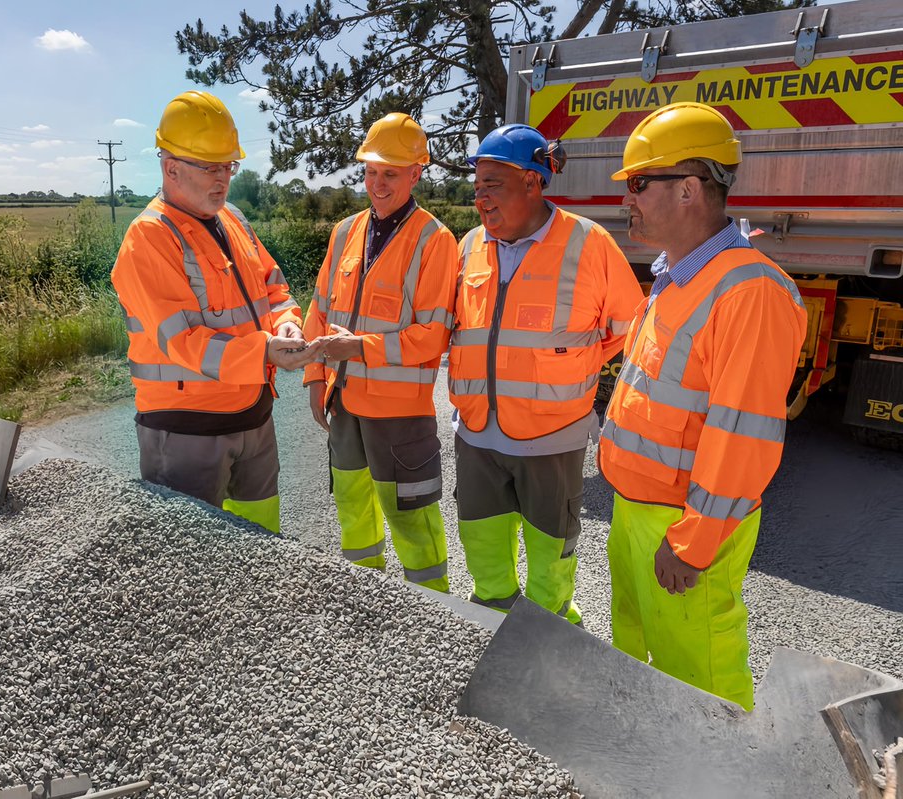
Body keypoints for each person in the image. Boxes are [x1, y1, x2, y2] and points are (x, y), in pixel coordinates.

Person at [599, 102, 807, 710]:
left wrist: (694, 541)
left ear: (689, 188)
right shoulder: (678, 277)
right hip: (638, 513)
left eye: (640, 183)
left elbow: (742, 435)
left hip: (683, 526)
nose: (628, 199)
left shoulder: (750, 291)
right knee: (637, 658)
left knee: (700, 683)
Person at [449, 124, 643, 623]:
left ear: (534, 182)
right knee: (482, 545)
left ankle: (550, 633)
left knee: (550, 554)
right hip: (476, 433)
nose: (481, 199)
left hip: (552, 438)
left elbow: (630, 325)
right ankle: (489, 622)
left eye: (493, 185)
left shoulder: (588, 243)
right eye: (477, 187)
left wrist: (573, 364)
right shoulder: (469, 245)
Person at [111, 90, 315, 533]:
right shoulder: (149, 237)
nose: (223, 179)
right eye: (210, 167)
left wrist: (287, 323)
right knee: (193, 560)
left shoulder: (233, 219)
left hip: (254, 417)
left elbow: (273, 285)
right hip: (187, 433)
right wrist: (265, 352)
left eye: (228, 166)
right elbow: (183, 341)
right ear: (171, 168)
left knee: (263, 547)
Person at [303, 113, 459, 592]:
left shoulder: (435, 240)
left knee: (412, 522)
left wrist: (358, 347)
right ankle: (362, 600)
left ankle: (432, 613)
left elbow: (432, 335)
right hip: (344, 405)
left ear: (416, 174)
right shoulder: (344, 232)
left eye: (390, 173)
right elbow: (319, 307)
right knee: (352, 511)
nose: (377, 183)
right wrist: (315, 378)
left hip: (399, 416)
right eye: (371, 171)